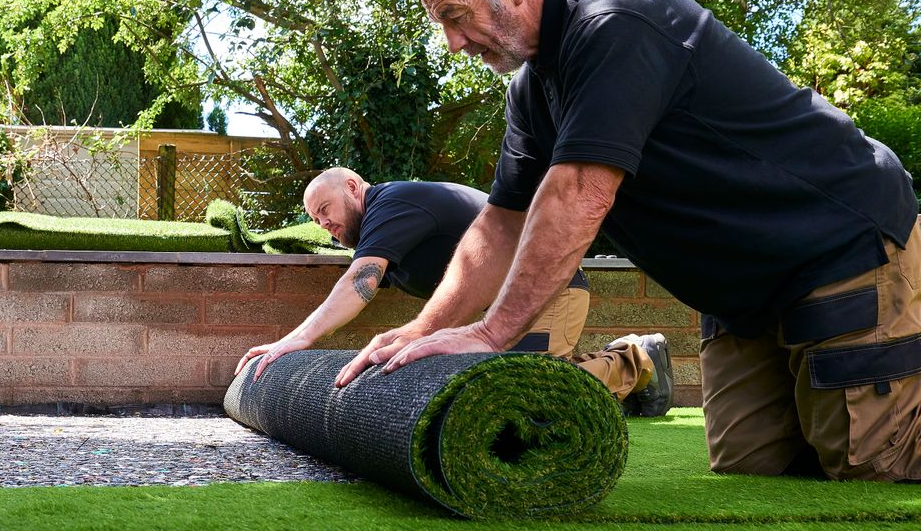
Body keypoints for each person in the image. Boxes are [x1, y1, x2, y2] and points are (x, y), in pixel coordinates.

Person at [338, 0, 921, 482]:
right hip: (744, 298)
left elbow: (578, 193)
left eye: (455, 16)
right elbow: (500, 224)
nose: (452, 43)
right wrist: (423, 331)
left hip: (839, 245)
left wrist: (492, 334)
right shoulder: (532, 89)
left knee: (871, 462)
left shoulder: (616, 21)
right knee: (754, 464)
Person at [237, 167, 674, 417]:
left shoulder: (391, 204)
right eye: (315, 220)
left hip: (548, 289)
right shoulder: (389, 232)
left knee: (528, 394)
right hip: (498, 312)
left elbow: (358, 284)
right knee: (493, 395)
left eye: (325, 210)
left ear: (353, 187)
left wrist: (296, 339)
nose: (323, 225)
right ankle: (618, 374)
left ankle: (635, 361)